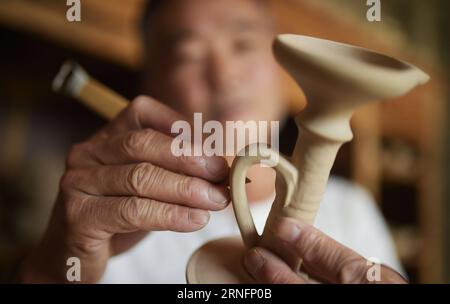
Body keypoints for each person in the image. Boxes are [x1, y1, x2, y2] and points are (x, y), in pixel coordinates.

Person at [16, 0, 406, 283]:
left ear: (284, 70)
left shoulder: (352, 209)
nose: (224, 76)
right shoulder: (105, 222)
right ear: (150, 86)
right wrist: (51, 272)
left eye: (244, 45)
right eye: (189, 56)